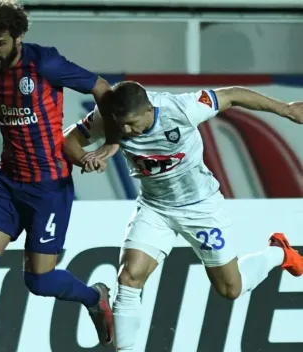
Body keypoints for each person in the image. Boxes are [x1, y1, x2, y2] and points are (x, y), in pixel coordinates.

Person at [63, 80, 303, 351]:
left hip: (200, 208)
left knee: (230, 289)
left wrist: (286, 109)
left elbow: (233, 95)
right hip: (155, 207)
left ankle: (278, 253)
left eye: (131, 123)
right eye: (120, 124)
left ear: (148, 111)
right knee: (129, 278)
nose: (125, 131)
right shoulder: (109, 117)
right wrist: (85, 158)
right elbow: (68, 139)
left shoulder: (181, 109)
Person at [0, 1, 114, 351]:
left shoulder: (46, 64)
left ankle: (93, 297)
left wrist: (109, 144)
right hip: (8, 182)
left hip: (48, 188)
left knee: (38, 282)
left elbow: (102, 88)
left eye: (0, 43)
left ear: (19, 37)